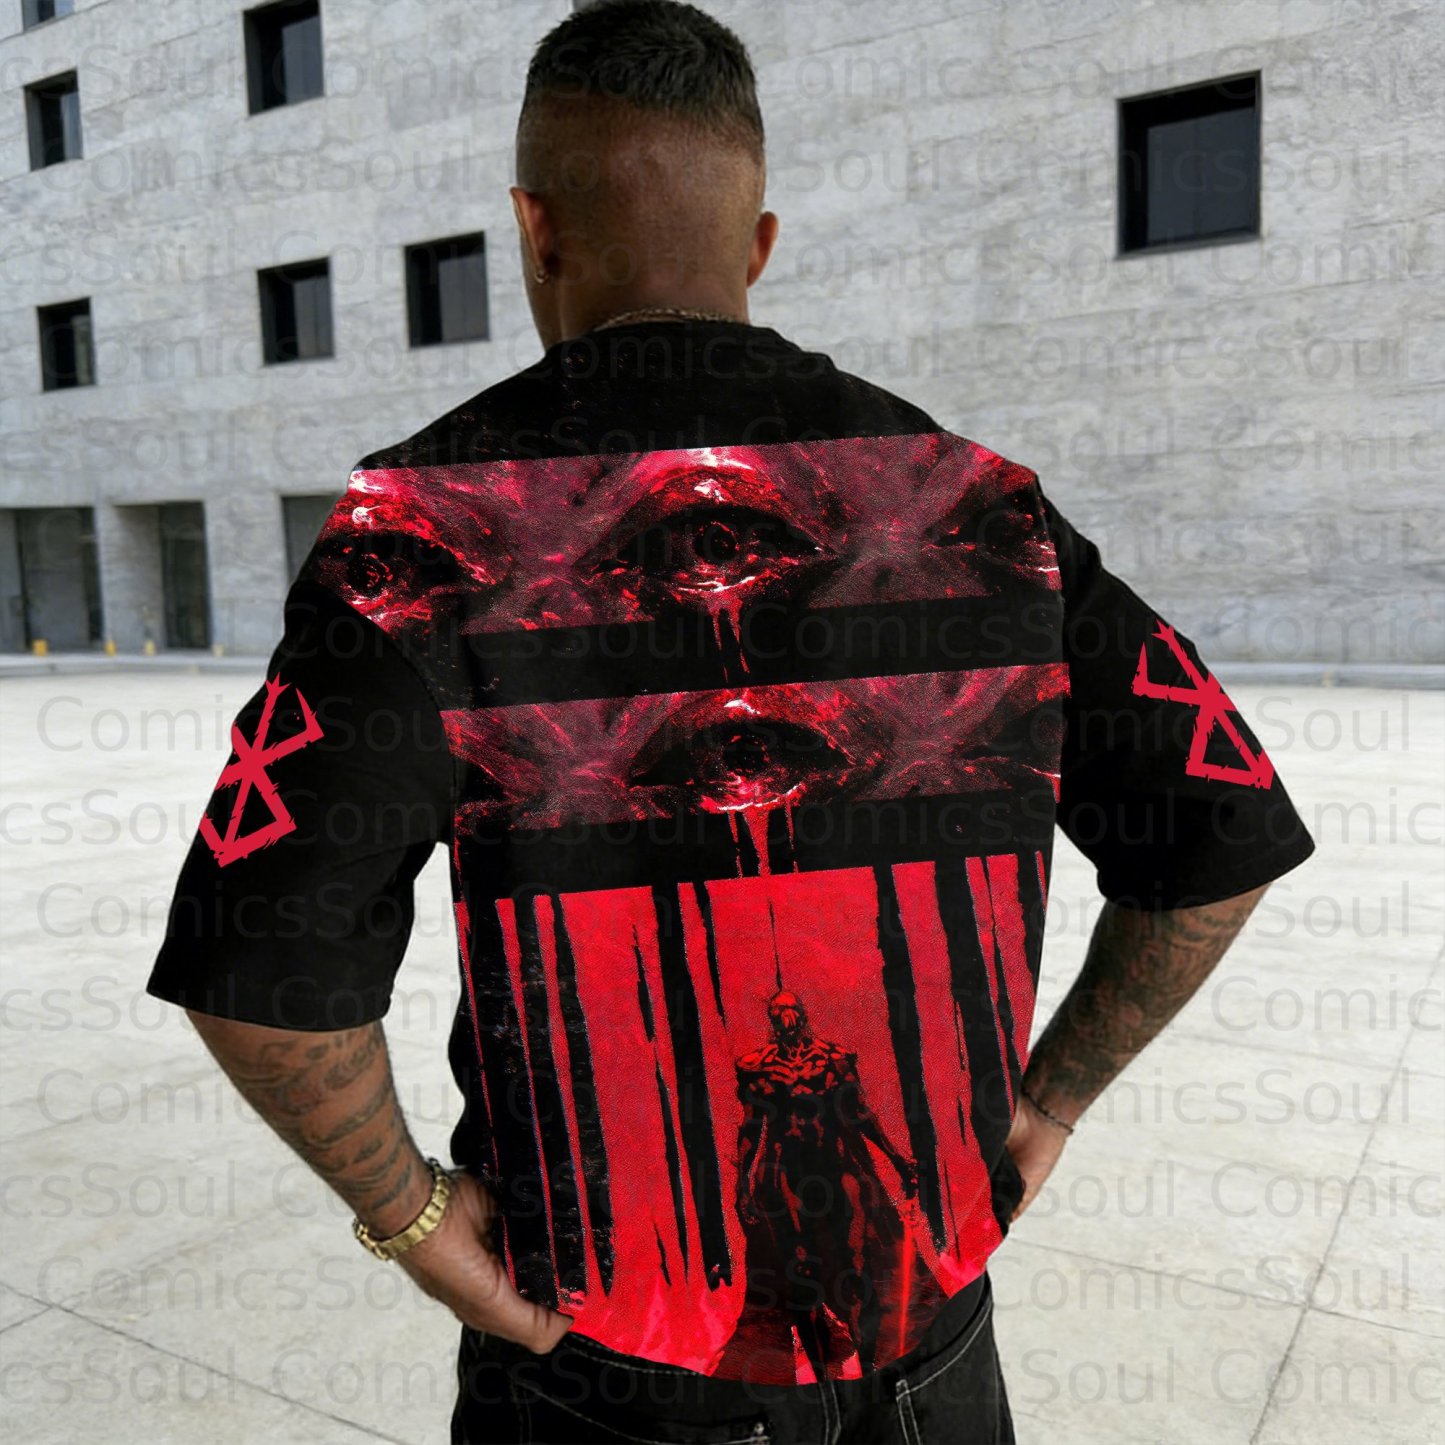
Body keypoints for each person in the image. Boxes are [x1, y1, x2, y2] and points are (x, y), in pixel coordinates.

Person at [143, 2, 1318, 1441]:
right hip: (931, 1348)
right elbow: (1219, 840)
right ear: (757, 242)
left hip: (604, 1360)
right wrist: (1051, 1101)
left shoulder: (421, 536)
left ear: (533, 228)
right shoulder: (982, 508)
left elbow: (261, 969)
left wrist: (414, 1220)